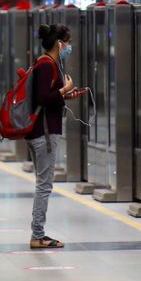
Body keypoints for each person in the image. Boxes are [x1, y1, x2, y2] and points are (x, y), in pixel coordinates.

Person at [26, 23, 85, 249]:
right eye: (68, 42)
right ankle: (38, 235)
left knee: (43, 183)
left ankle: (38, 233)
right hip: (44, 133)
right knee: (44, 185)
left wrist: (66, 95)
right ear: (59, 43)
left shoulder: (46, 64)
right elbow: (43, 97)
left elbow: (47, 97)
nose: (70, 46)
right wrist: (64, 88)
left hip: (40, 131)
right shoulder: (47, 65)